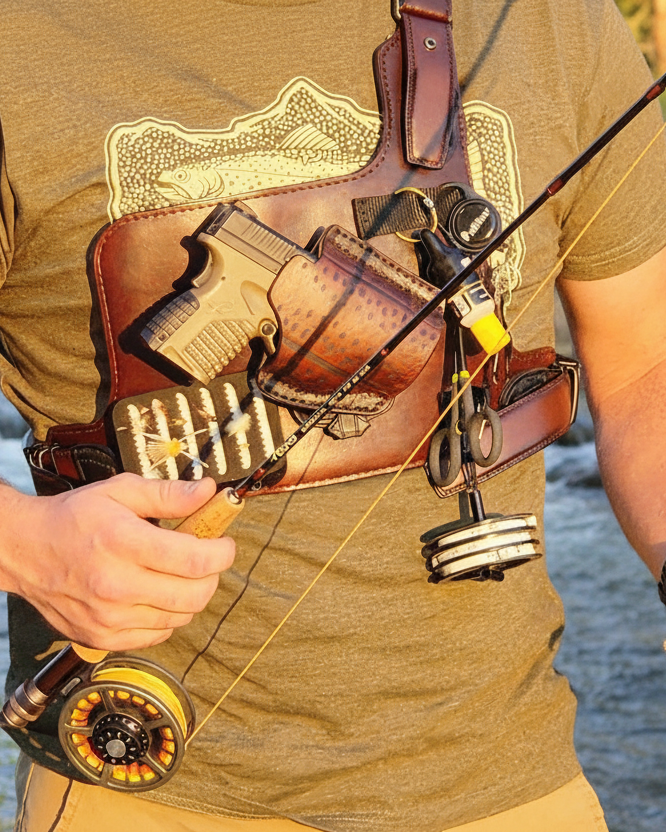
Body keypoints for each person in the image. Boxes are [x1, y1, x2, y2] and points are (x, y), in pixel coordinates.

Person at [1, 0, 666, 830]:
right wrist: (23, 547)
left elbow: (645, 367)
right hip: (145, 784)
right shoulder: (21, 42)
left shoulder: (550, 18)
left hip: (517, 781)